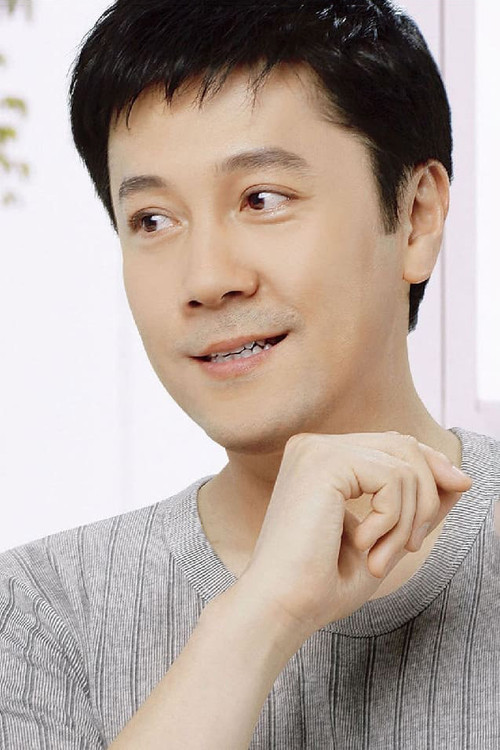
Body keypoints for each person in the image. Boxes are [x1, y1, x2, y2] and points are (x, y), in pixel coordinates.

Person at [1, 0, 499, 747]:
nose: (206, 279)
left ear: (416, 215)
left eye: (262, 199)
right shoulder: (40, 616)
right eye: (152, 220)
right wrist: (259, 614)